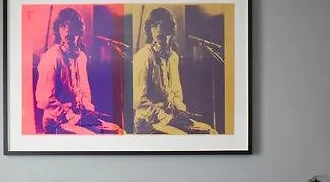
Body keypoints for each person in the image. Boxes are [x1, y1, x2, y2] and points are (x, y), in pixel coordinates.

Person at [35, 7, 124, 135]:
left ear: (79, 29)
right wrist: (68, 115)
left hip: (78, 117)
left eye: (71, 25)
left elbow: (85, 92)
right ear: (58, 30)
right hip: (56, 120)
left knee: (117, 131)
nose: (67, 29)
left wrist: (87, 111)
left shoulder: (81, 57)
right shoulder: (52, 57)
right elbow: (44, 99)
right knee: (92, 137)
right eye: (63, 26)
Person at [132, 7, 217, 135]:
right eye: (154, 25)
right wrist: (162, 116)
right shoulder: (143, 56)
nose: (159, 29)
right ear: (149, 30)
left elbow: (176, 93)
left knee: (210, 132)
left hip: (170, 117)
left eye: (163, 25)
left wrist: (180, 111)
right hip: (147, 120)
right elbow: (139, 101)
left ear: (170, 30)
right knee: (182, 137)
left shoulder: (173, 57)